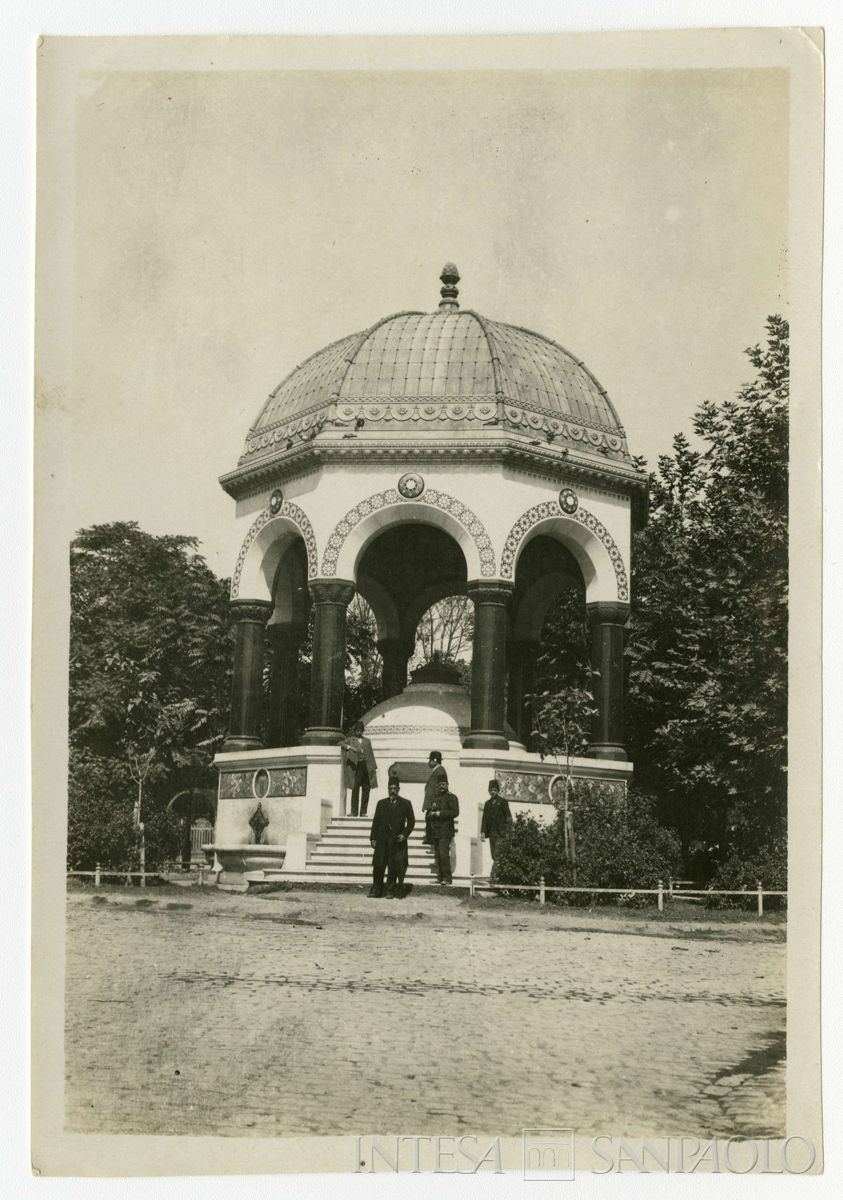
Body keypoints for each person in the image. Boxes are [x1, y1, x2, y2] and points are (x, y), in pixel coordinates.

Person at [369, 777, 415, 899]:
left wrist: (404, 835)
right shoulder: (381, 803)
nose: (392, 791)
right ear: (388, 789)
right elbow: (376, 822)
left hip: (396, 841)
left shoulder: (406, 803)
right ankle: (377, 889)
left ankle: (390, 890)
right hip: (382, 840)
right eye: (390, 789)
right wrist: (373, 838)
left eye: (395, 789)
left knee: (393, 866)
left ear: (399, 789)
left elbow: (411, 822)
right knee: (378, 866)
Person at [427, 777, 459, 885]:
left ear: (447, 785)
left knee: (443, 854)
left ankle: (447, 878)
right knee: (438, 855)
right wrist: (430, 814)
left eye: (443, 784)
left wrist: (439, 813)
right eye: (439, 784)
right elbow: (431, 811)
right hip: (436, 831)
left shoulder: (452, 797)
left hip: (446, 831)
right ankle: (440, 877)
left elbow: (455, 812)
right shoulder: (435, 798)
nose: (441, 786)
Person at [343, 720, 378, 817]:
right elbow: (340, 743)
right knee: (355, 788)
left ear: (362, 731)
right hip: (356, 766)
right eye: (357, 730)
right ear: (355, 731)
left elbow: (371, 754)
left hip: (366, 766)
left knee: (366, 789)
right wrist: (349, 747)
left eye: (360, 730)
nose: (358, 732)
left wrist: (373, 767)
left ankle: (363, 811)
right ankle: (354, 811)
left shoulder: (367, 741)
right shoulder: (351, 739)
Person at [481, 779, 513, 878]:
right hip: (492, 834)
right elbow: (484, 818)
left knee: (498, 855)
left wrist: (508, 831)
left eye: (494, 790)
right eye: (491, 790)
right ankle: (499, 875)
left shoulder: (503, 802)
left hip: (501, 833)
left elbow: (508, 817)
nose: (492, 792)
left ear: (498, 790)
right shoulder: (487, 804)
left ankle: (493, 875)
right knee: (494, 856)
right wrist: (482, 832)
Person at [422, 750, 448, 844]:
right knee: (429, 819)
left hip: (434, 802)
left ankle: (431, 839)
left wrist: (435, 802)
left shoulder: (440, 770)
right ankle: (429, 838)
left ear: (435, 760)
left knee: (431, 820)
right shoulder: (437, 770)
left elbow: (440, 787)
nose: (429, 762)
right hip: (431, 802)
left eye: (430, 760)